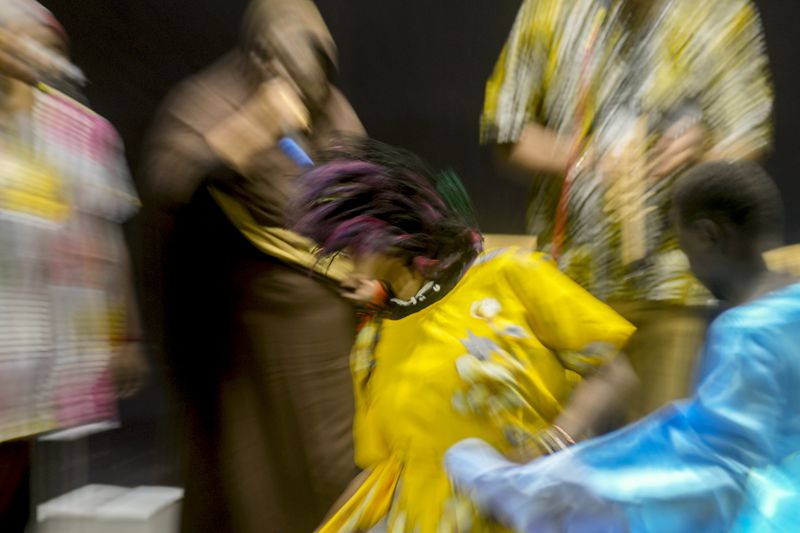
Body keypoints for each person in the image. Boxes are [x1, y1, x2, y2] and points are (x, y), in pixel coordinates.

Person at [289, 138, 636, 532]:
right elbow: (384, 470)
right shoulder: (373, 342)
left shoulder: (510, 276)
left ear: (392, 219)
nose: (345, 254)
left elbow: (614, 372)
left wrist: (548, 448)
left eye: (350, 239)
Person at [446, 161, 800, 532]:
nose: (692, 269)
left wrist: (578, 479)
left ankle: (534, 491)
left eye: (687, 251)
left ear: (709, 236)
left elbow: (712, 460)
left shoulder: (745, 331)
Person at [483, 0, 773, 420]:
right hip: (569, 288)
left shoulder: (721, 11)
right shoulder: (549, 9)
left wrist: (703, 148)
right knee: (567, 461)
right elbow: (507, 132)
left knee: (655, 460)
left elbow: (749, 138)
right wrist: (583, 157)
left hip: (674, 288)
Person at [142, 1, 365, 531]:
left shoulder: (336, 116)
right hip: (244, 351)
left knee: (331, 476)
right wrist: (256, 124)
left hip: (325, 347)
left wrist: (366, 263)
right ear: (259, 58)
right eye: (283, 64)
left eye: (315, 69)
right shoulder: (212, 99)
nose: (302, 83)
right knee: (249, 487)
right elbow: (172, 185)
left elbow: (362, 204)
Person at [0, 1, 144, 529]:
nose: (25, 46)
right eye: (9, 34)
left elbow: (107, 237)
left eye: (38, 38)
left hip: (40, 343)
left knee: (20, 469)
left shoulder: (79, 132)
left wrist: (123, 334)